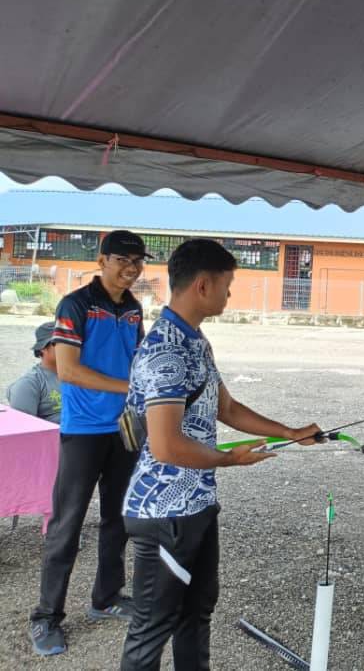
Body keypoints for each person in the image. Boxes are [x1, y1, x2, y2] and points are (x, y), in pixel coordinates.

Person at [119, 238, 320, 671]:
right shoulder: (167, 350)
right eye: (228, 285)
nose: (230, 295)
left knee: (196, 613)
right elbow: (166, 445)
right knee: (153, 626)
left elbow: (225, 408)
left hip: (196, 504)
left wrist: (289, 432)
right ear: (204, 285)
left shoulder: (194, 341)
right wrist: (232, 459)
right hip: (164, 509)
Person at [29, 230, 149, 657]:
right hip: (83, 430)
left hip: (125, 430)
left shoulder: (134, 308)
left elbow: (139, 360)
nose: (131, 269)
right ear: (102, 260)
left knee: (119, 520)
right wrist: (128, 386)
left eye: (138, 261)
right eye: (123, 260)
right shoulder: (75, 305)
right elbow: (69, 372)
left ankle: (106, 598)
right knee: (67, 525)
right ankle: (46, 617)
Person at [6, 322, 62, 423]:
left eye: (72, 343)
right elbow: (23, 428)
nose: (68, 348)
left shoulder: (84, 376)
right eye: (60, 343)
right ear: (43, 348)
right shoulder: (29, 384)